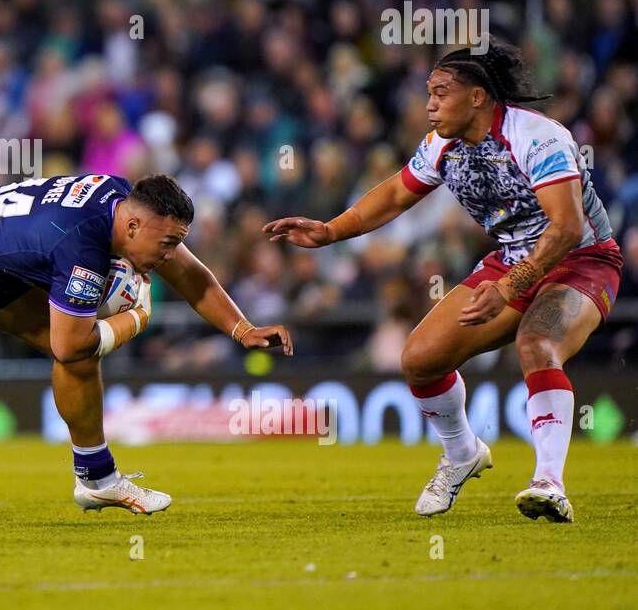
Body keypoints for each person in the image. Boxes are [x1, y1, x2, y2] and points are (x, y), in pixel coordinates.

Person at [264, 43, 623, 523]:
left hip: (582, 261)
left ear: (477, 97)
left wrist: (508, 288)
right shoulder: (442, 145)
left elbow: (566, 229)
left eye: (440, 93)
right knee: (420, 359)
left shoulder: (538, 138)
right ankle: (461, 454)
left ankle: (549, 483)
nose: (429, 104)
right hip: (511, 263)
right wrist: (332, 230)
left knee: (537, 342)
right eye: (427, 93)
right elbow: (394, 194)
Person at [0, 172, 293, 514]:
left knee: (73, 345)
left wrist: (242, 329)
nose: (169, 254)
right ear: (134, 225)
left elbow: (190, 274)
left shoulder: (117, 202)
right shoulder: (83, 244)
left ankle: (97, 478)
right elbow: (71, 345)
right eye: (168, 242)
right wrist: (137, 318)